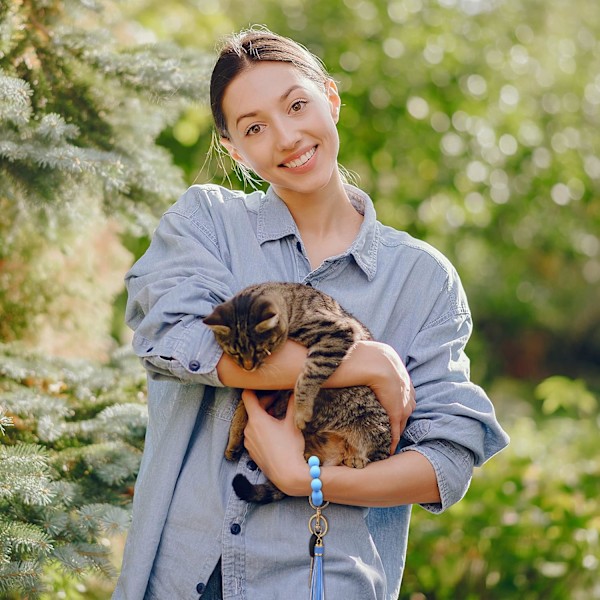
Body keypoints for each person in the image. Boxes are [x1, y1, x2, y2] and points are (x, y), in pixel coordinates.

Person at [113, 27, 509, 600]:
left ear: (331, 98)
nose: (286, 136)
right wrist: (363, 361)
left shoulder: (420, 277)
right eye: (254, 127)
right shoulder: (206, 224)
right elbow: (177, 338)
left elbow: (446, 459)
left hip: (324, 582)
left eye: (297, 105)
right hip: (181, 574)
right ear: (233, 149)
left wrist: (309, 480)